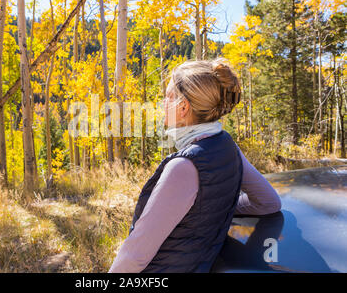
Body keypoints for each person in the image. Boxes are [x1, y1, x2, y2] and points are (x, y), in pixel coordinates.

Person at [108, 58, 282, 273]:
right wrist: (213, 209)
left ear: (183, 107)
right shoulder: (227, 145)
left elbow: (133, 258)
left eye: (168, 96)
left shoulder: (182, 167)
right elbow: (269, 202)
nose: (162, 102)